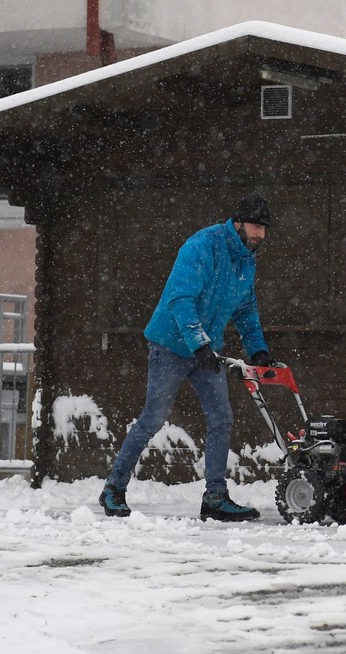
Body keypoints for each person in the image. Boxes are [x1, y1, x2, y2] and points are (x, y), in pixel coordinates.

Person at [99, 193, 278, 522]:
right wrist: (198, 343)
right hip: (171, 345)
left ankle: (215, 496)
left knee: (221, 418)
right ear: (238, 222)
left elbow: (246, 309)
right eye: (256, 227)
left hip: (205, 350)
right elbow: (181, 300)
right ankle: (114, 487)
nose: (260, 235)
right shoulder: (203, 246)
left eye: (264, 229)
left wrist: (258, 350)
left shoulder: (246, 259)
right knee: (153, 419)